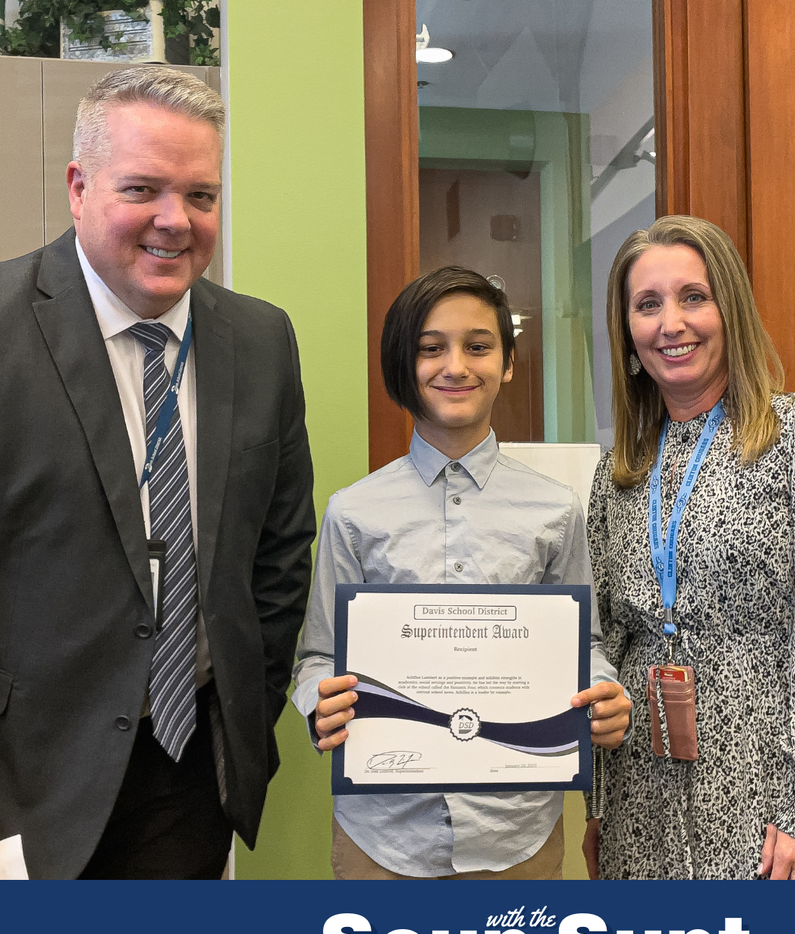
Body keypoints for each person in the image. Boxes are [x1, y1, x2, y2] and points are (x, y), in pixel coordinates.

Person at [0, 66, 315, 879]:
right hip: (27, 776)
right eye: (143, 188)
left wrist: (245, 707)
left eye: (201, 196)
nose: (174, 222)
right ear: (78, 187)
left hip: (189, 766)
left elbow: (279, 556)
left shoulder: (260, 340)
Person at [292, 266, 630, 879]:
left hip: (518, 831)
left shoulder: (555, 510)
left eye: (478, 346)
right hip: (383, 836)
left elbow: (585, 645)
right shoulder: (353, 511)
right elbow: (317, 656)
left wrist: (604, 692)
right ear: (405, 364)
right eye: (431, 348)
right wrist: (319, 702)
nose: (456, 366)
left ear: (506, 362)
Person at [586, 214, 795, 881]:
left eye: (693, 297)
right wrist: (596, 809)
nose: (671, 324)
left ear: (730, 310)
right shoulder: (616, 472)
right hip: (638, 801)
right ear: (627, 332)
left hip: (768, 803)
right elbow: (601, 643)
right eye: (647, 304)